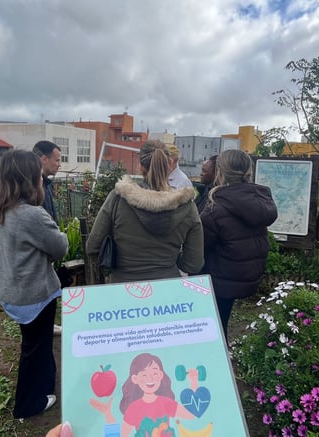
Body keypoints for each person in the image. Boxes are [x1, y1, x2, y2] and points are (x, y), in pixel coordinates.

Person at [0, 149, 69, 419]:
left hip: (11, 291)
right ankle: (28, 404)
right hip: (34, 295)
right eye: (38, 175)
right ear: (31, 179)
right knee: (35, 349)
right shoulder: (32, 215)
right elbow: (61, 247)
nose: (41, 179)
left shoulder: (0, 210)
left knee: (36, 343)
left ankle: (46, 387)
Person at [86, 140, 203, 282]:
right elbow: (194, 264)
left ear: (140, 167)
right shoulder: (187, 207)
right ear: (169, 166)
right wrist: (170, 262)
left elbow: (92, 247)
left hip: (123, 286)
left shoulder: (118, 199)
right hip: (168, 288)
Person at [200, 149, 278, 340]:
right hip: (242, 276)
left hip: (217, 280)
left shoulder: (215, 208)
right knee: (222, 322)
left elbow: (199, 248)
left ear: (219, 172)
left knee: (211, 330)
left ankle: (218, 355)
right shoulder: (258, 200)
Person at [90, 353, 199, 436]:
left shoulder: (166, 403)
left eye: (154, 373)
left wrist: (193, 383)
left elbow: (191, 414)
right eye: (144, 375)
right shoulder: (133, 408)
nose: (150, 378)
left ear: (161, 375)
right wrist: (108, 414)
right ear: (135, 379)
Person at [33, 140, 71, 335]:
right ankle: (42, 327)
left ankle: (48, 324)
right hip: (40, 250)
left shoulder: (45, 184)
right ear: (43, 159)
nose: (59, 164)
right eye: (57, 160)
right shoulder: (33, 187)